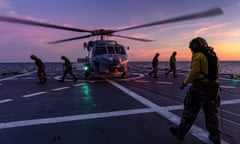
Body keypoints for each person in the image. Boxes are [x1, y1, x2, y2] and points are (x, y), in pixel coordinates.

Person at [169, 37, 221, 144]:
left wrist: (184, 83)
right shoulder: (213, 55)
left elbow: (194, 72)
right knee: (212, 113)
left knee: (190, 111)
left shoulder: (198, 55)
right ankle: (215, 136)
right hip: (213, 87)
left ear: (195, 46)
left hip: (199, 88)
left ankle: (181, 132)